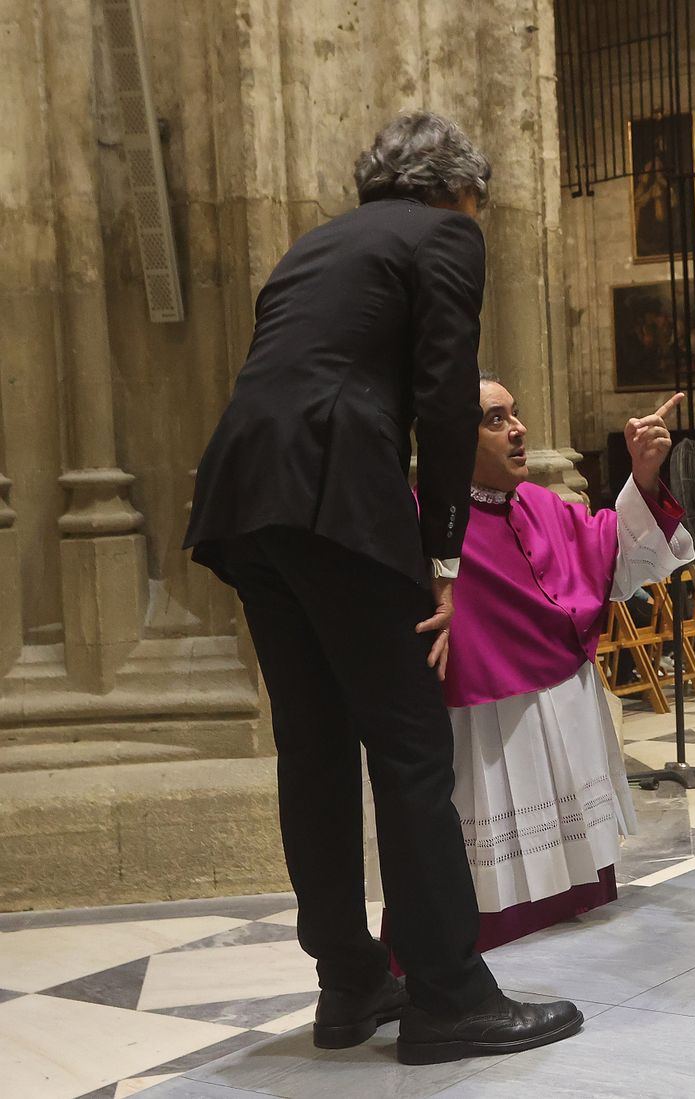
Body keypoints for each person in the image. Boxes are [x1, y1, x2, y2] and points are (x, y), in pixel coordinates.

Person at [184, 111, 582, 1064]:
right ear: (456, 190)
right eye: (478, 204)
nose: (476, 217)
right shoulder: (443, 234)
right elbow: (445, 393)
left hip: (244, 496)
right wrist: (445, 550)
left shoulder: (311, 245)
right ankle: (448, 992)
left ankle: (351, 980)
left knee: (313, 743)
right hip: (338, 496)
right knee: (408, 746)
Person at [435, 378, 693, 950]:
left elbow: (618, 561)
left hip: (561, 695)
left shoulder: (543, 504)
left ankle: (570, 894)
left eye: (516, 413)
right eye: (495, 419)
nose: (518, 428)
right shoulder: (432, 521)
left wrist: (644, 473)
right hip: (487, 711)